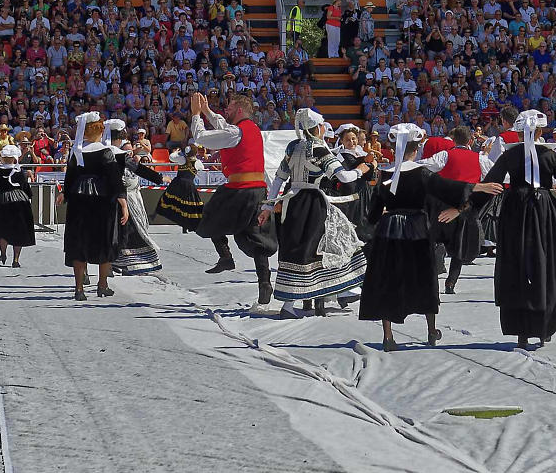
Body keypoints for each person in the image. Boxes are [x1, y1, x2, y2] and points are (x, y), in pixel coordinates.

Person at [470, 110, 556, 350]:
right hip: (545, 212)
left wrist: (472, 208)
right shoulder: (550, 155)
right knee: (546, 264)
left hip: (515, 212)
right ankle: (543, 327)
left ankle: (520, 330)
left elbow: (492, 182)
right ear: (540, 132)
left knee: (517, 264)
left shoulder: (511, 155)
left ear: (519, 132)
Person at [359, 123, 468, 351]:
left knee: (388, 280)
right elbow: (449, 189)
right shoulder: (423, 173)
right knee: (424, 278)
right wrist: (474, 192)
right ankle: (431, 331)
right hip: (417, 229)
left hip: (389, 231)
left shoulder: (386, 174)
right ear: (416, 148)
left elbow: (373, 213)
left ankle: (388, 336)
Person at [262, 109, 369, 315]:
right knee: (330, 245)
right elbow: (344, 177)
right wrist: (361, 170)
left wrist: (268, 206)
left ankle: (290, 304)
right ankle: (344, 289)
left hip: (292, 202)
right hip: (313, 203)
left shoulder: (293, 147)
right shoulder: (319, 149)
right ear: (318, 127)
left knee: (296, 249)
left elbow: (278, 179)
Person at [188, 91, 279, 310]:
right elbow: (221, 124)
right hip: (258, 190)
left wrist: (196, 115)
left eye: (229, 108)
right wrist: (208, 110)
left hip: (239, 189)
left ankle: (225, 256)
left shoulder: (236, 132)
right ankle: (264, 285)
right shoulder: (252, 129)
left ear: (239, 110)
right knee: (256, 237)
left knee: (208, 216)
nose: (225, 111)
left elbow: (201, 137)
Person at [63, 113, 131, 300]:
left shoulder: (76, 152)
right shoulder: (105, 151)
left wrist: (64, 194)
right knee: (105, 240)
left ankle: (79, 289)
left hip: (79, 200)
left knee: (79, 241)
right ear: (100, 131)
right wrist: (123, 202)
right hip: (102, 201)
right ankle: (102, 285)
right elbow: (115, 179)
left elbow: (70, 177)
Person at [427, 125, 485, 294]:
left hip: (442, 204)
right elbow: (498, 173)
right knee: (459, 247)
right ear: (471, 141)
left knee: (435, 241)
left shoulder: (445, 155)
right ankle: (451, 282)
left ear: (453, 140)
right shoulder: (479, 158)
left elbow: (424, 165)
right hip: (464, 207)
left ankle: (432, 278)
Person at [112, 135, 168, 277]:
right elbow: (141, 171)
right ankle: (127, 263)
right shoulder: (120, 161)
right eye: (127, 152)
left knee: (137, 229)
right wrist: (160, 178)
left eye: (131, 152)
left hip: (135, 200)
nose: (129, 154)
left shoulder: (129, 160)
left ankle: (123, 263)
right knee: (129, 232)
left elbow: (138, 167)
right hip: (123, 201)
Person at [153, 146, 206, 231]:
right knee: (188, 204)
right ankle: (187, 225)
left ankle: (157, 213)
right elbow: (202, 168)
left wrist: (177, 152)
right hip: (188, 185)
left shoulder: (182, 159)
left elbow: (171, 157)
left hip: (177, 183)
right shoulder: (198, 162)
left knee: (167, 198)